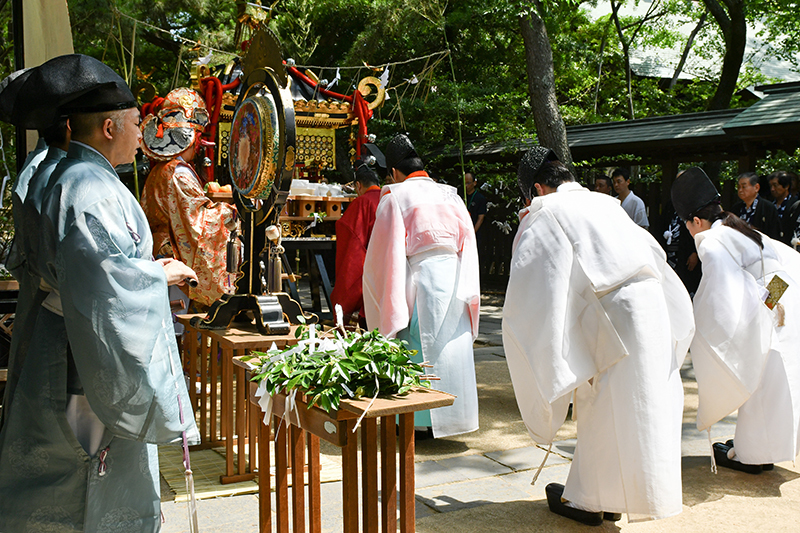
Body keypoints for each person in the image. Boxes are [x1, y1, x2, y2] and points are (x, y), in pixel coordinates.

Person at [0, 54, 199, 532]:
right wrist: (156, 277)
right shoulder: (90, 187)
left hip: (56, 340)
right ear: (108, 127)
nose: (141, 134)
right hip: (85, 357)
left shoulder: (51, 170)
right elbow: (101, 282)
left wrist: (141, 273)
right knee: (92, 474)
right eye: (134, 124)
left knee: (57, 476)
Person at [502, 147, 694, 524]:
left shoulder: (547, 211)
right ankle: (602, 494)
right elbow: (655, 256)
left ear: (538, 188)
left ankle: (590, 499)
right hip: (651, 303)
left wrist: (555, 352)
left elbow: (536, 291)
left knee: (603, 402)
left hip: (611, 313)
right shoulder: (609, 204)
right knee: (629, 405)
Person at [671, 167, 800, 475]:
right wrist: (771, 303)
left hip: (774, 307)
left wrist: (692, 324)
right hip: (787, 301)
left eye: (688, 226)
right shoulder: (739, 227)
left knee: (757, 380)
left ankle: (753, 454)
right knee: (778, 381)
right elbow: (782, 266)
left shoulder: (712, 240)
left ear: (696, 221)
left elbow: (720, 298)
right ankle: (761, 448)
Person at [363, 134, 480, 439]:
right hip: (455, 275)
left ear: (394, 173)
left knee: (416, 342)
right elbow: (469, 244)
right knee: (452, 345)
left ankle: (418, 423)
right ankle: (456, 417)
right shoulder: (451, 196)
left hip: (419, 276)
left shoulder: (396, 197)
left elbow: (384, 253)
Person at [140, 87, 238, 309]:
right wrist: (231, 212)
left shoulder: (161, 170)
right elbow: (198, 220)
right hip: (175, 259)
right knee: (179, 320)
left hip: (159, 252)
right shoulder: (178, 172)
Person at [330, 158, 381, 327]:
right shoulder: (389, 199)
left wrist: (344, 300)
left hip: (371, 275)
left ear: (358, 185)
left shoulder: (362, 203)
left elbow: (353, 245)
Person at [731, 171, 781, 240]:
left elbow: (774, 234)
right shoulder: (736, 208)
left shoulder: (768, 208)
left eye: (744, 187)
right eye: (739, 187)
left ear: (756, 187)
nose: (740, 190)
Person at [768, 170, 798, 244]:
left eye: (775, 185)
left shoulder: (795, 205)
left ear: (786, 186)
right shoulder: (769, 206)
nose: (772, 189)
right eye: (771, 186)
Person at [465, 171, 487, 238]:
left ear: (474, 183)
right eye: (464, 183)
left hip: (474, 231)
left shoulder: (480, 198)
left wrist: (472, 233)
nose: (466, 186)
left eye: (468, 183)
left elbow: (480, 218)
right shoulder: (460, 196)